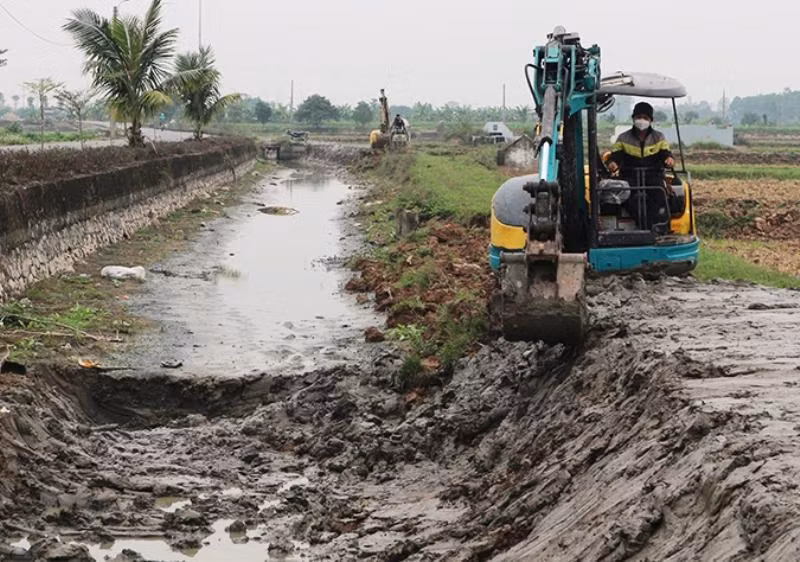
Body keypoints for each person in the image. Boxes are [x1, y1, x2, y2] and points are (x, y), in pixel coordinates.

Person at [607, 101, 675, 231]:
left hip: (653, 175)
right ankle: (646, 228)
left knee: (659, 195)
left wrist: (669, 159)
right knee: (626, 196)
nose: (641, 120)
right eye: (639, 117)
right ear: (633, 118)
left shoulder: (659, 137)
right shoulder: (623, 138)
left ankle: (658, 227)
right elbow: (615, 156)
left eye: (645, 118)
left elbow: (666, 153)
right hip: (629, 176)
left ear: (651, 120)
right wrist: (612, 163)